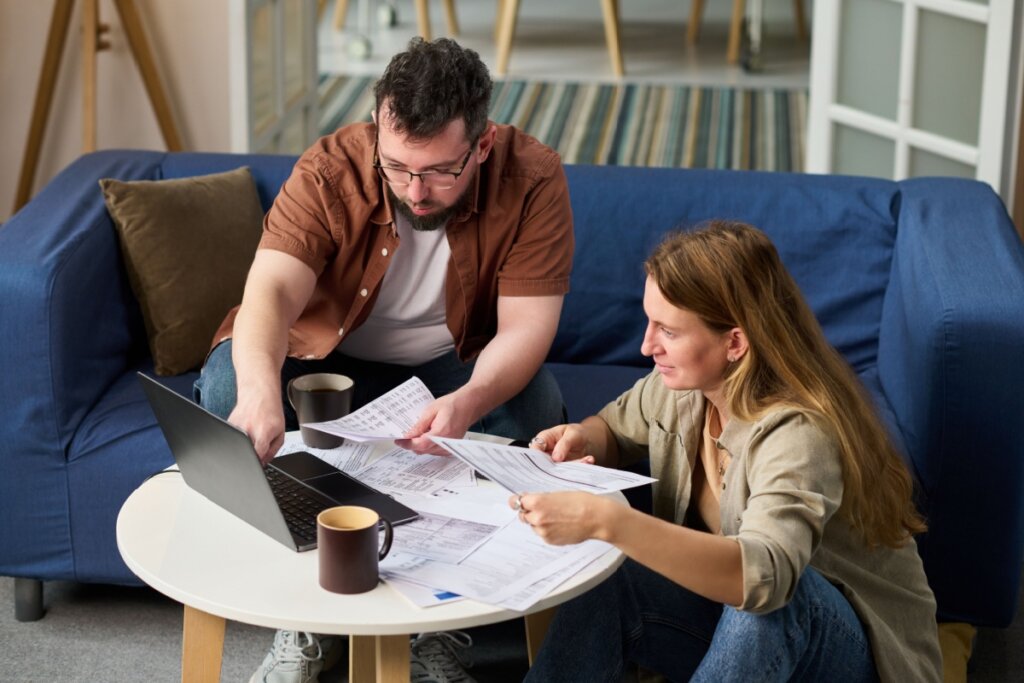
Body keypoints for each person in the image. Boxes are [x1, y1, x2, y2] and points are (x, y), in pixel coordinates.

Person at [193, 38, 573, 683]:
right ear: (377, 132)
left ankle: (437, 626)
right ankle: (307, 618)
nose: (414, 190)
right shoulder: (331, 167)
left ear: (480, 146)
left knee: (533, 405)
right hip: (329, 356)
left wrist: (468, 402)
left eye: (439, 172)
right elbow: (270, 293)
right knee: (233, 379)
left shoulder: (532, 176)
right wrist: (260, 395)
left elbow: (526, 330)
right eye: (396, 167)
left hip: (453, 366)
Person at [512, 222, 943, 682]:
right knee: (613, 576)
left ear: (735, 342)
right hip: (744, 637)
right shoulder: (681, 387)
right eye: (649, 321)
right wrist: (582, 437)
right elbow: (614, 429)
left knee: (772, 602)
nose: (646, 345)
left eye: (668, 331)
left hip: (856, 656)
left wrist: (609, 522)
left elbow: (766, 579)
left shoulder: (797, 433)